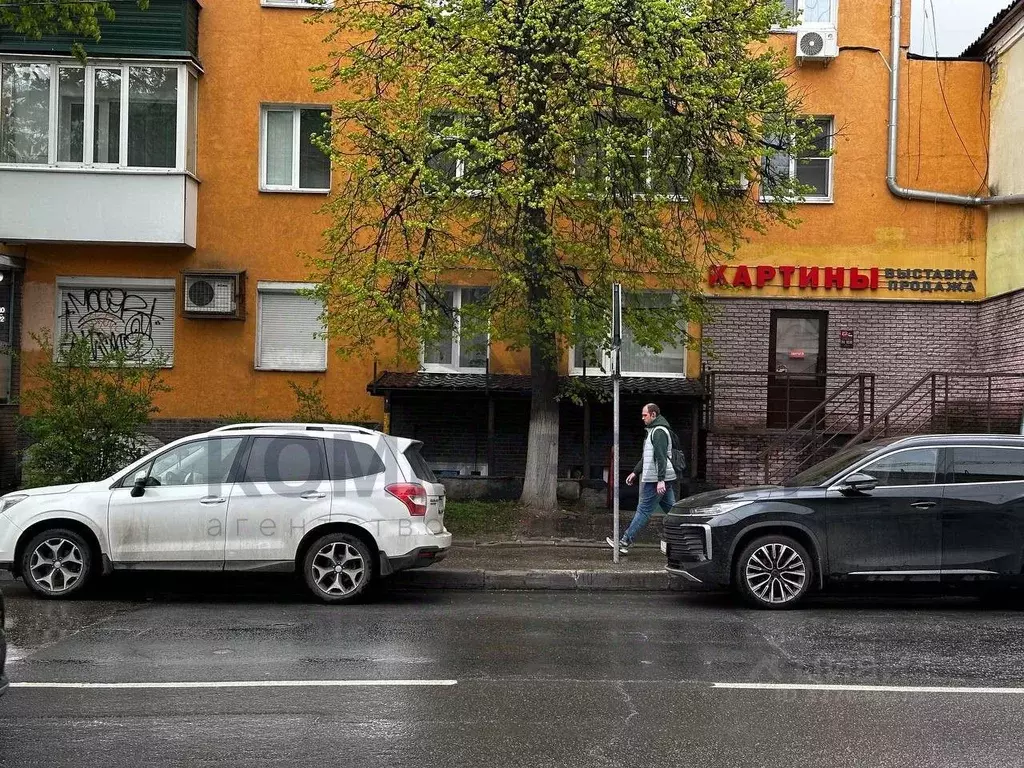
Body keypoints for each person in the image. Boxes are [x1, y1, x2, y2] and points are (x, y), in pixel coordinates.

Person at [607, 402, 677, 555]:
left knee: (643, 510)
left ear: (653, 415)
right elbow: (647, 457)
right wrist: (635, 472)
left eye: (645, 415)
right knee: (673, 511)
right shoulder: (653, 431)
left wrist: (660, 480)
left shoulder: (658, 432)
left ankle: (625, 541)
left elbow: (660, 458)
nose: (642, 418)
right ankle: (689, 537)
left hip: (654, 480)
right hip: (659, 478)